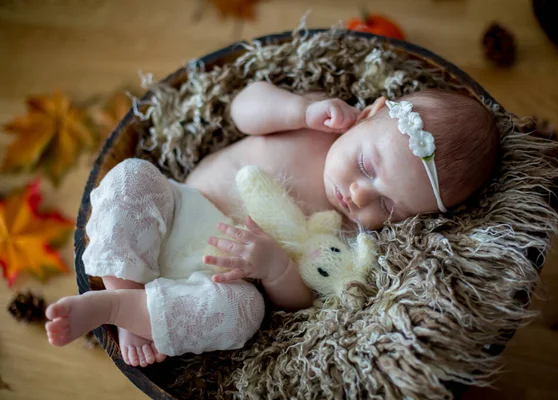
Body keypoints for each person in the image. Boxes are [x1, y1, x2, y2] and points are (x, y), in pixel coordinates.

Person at [44, 82, 499, 367]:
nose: (359, 195)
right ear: (366, 115)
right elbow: (243, 107)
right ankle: (124, 293)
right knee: (134, 176)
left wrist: (274, 268)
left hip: (209, 282)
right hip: (175, 207)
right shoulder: (313, 126)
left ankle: (120, 309)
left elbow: (301, 301)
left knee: (245, 312)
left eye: (388, 206)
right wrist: (298, 108)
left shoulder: (348, 236)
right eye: (364, 165)